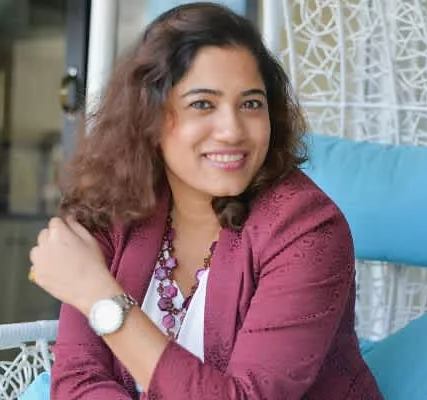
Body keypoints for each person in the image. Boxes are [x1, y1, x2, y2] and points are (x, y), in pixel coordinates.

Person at [28, 3, 383, 399]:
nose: (232, 131)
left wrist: (99, 296)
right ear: (148, 115)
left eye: (251, 103)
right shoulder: (112, 208)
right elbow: (78, 381)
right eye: (202, 104)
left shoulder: (308, 229)